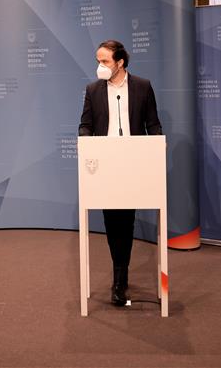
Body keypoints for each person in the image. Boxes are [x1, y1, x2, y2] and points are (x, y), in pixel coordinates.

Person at [78, 39, 162, 306]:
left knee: (127, 220)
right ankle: (119, 276)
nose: (99, 66)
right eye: (98, 61)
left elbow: (153, 124)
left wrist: (157, 151)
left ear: (120, 62)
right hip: (106, 164)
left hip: (134, 163)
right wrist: (87, 146)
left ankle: (120, 278)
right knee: (111, 221)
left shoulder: (142, 87)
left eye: (104, 61)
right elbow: (85, 126)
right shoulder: (93, 90)